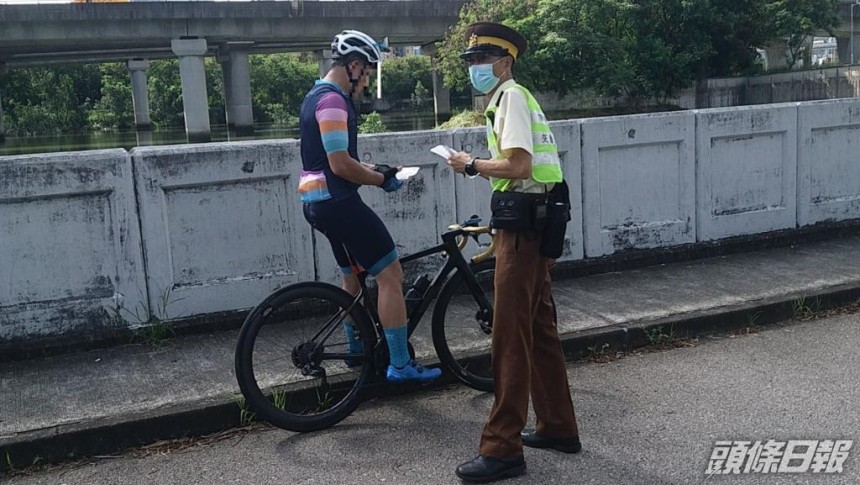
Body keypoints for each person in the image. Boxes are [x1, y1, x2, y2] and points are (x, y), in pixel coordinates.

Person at [445, 22, 582, 483]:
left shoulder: (510, 98)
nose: (475, 68)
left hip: (522, 231)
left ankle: (503, 447)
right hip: (535, 222)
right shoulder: (512, 98)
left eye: (482, 60)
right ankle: (559, 426)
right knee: (540, 328)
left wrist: (470, 166)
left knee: (509, 337)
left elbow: (519, 164)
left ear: (504, 62)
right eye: (471, 61)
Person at [298, 30, 441, 384]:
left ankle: (355, 350)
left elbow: (336, 160)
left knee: (352, 277)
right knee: (390, 275)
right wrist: (383, 181)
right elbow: (340, 165)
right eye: (367, 73)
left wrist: (375, 170)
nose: (366, 82)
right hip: (338, 203)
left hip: (317, 203)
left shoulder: (314, 95)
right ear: (354, 65)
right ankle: (400, 364)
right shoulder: (332, 101)